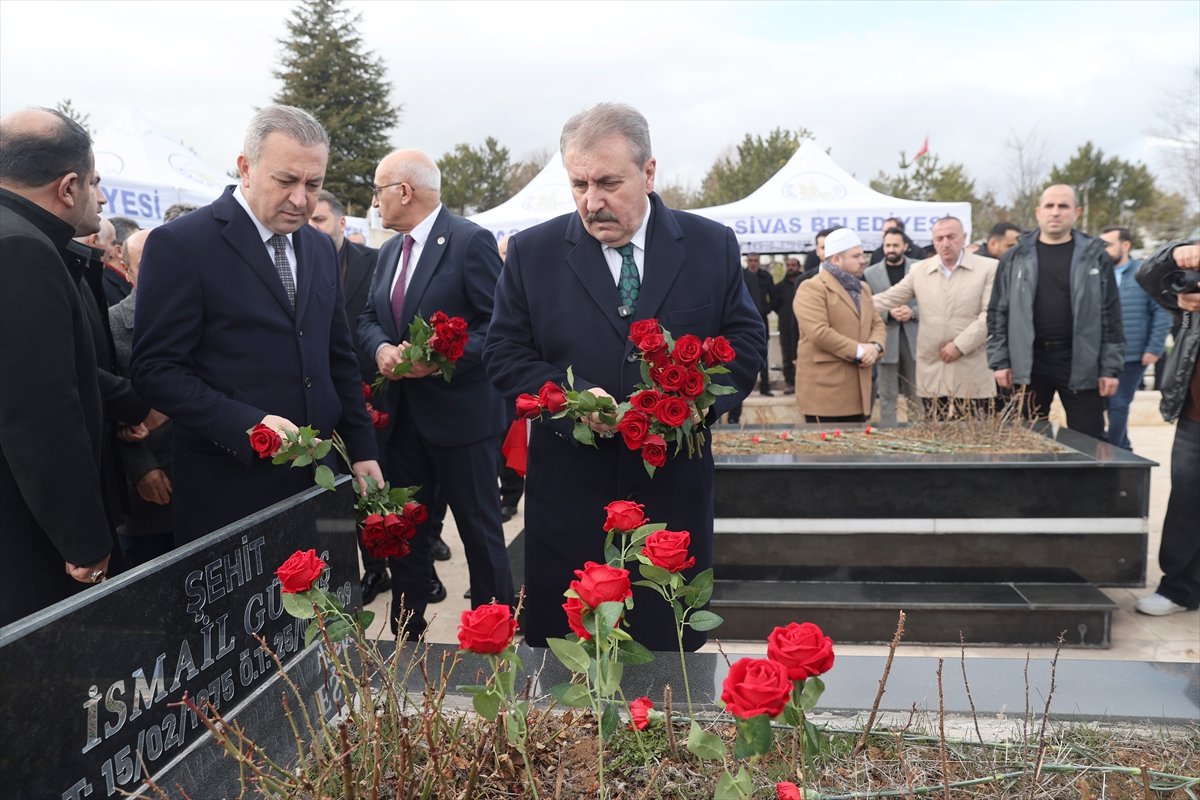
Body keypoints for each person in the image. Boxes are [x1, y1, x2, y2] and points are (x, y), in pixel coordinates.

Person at [484, 102, 766, 651]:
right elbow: (504, 353)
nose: (593, 202)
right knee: (570, 662)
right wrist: (570, 402)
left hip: (671, 499)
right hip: (570, 498)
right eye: (579, 184)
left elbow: (746, 342)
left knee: (668, 660)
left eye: (609, 182)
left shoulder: (711, 246)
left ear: (649, 173)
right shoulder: (532, 254)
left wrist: (698, 397)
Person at [131, 105, 381, 545]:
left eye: (314, 184)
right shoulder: (182, 244)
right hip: (230, 487)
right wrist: (251, 426)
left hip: (325, 479)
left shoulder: (321, 248)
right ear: (246, 168)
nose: (301, 199)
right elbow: (156, 370)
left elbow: (338, 357)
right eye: (286, 181)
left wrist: (362, 451)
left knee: (331, 605)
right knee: (245, 614)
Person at [357, 148, 513, 639]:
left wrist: (440, 360)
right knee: (407, 536)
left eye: (379, 189)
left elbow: (499, 329)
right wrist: (381, 347)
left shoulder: (470, 242)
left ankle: (495, 639)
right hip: (403, 425)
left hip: (463, 422)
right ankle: (407, 637)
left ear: (405, 190)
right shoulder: (388, 252)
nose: (374, 200)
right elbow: (366, 319)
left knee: (480, 535)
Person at [0, 107, 113, 625]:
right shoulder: (23, 248)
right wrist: (84, 539)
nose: (97, 194)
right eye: (93, 182)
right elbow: (40, 414)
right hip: (25, 536)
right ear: (68, 187)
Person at [987, 184, 1123, 439]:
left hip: (1081, 360)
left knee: (1089, 439)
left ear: (1077, 212)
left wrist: (1110, 368)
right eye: (1049, 206)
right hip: (1028, 361)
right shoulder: (1015, 257)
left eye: (1063, 206)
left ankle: (1084, 481)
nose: (1055, 212)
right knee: (1027, 439)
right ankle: (1034, 481)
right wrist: (1000, 361)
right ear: (1038, 212)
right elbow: (998, 312)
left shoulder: (1095, 257)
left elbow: (1111, 315)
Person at [873, 217, 998, 417]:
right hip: (933, 366)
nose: (945, 243)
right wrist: (852, 304)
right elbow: (889, 297)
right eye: (939, 238)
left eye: (951, 237)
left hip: (970, 365)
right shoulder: (920, 270)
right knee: (933, 430)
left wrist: (959, 346)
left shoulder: (988, 268)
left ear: (964, 237)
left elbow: (989, 316)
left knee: (971, 433)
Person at [1134, 240, 1199, 616]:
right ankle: (1179, 589)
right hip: (1195, 408)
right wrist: (1178, 253)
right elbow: (1148, 275)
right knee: (1187, 499)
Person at [108, 229, 174, 566]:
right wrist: (140, 468)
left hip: (209, 483)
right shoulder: (112, 325)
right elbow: (108, 408)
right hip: (151, 500)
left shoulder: (207, 315)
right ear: (126, 265)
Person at [793, 228, 886, 422]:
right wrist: (860, 351)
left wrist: (876, 347)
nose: (863, 260)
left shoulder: (863, 288)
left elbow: (877, 323)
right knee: (827, 451)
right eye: (856, 256)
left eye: (862, 255)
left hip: (860, 391)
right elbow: (819, 332)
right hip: (826, 394)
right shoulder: (812, 288)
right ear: (836, 259)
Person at [1099, 226, 1171, 451]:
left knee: (1119, 405)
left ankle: (1114, 451)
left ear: (1126, 245)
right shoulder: (1098, 273)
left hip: (1133, 353)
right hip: (1102, 353)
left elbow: (1162, 312)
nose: (1104, 251)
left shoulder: (1144, 275)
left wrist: (1154, 347)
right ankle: (1124, 448)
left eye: (1108, 245)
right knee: (1103, 406)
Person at [863, 227, 919, 426]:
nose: (891, 249)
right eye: (887, 245)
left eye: (895, 245)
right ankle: (889, 437)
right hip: (887, 339)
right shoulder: (870, 273)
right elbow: (866, 305)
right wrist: (888, 312)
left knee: (916, 393)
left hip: (915, 339)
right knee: (887, 394)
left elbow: (933, 301)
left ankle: (918, 435)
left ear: (905, 246)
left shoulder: (919, 268)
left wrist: (913, 312)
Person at [775, 255, 804, 395]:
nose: (791, 267)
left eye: (794, 265)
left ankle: (803, 383)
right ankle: (790, 383)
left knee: (803, 355)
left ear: (799, 267)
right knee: (787, 356)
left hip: (803, 326)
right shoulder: (780, 286)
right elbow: (775, 304)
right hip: (785, 327)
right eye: (789, 265)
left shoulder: (805, 282)